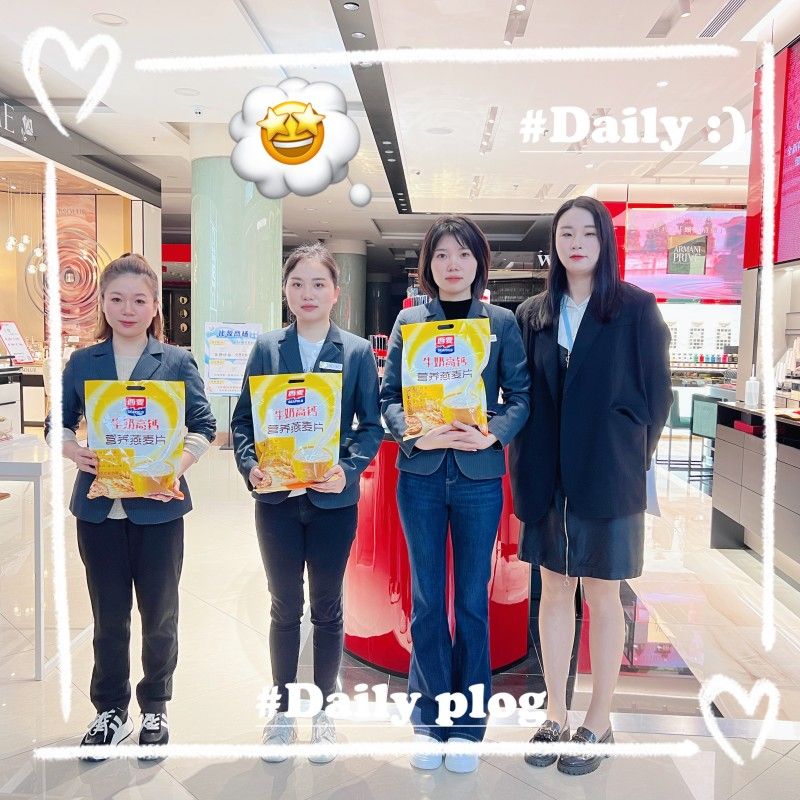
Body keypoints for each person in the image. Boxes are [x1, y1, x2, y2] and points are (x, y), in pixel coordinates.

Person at [510, 196, 672, 776]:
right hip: (544, 475)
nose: (576, 243)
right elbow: (522, 393)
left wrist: (628, 456)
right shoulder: (532, 313)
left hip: (609, 474)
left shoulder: (635, 308)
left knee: (604, 595)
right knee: (554, 592)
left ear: (605, 241)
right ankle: (555, 713)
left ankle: (599, 720)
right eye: (566, 234)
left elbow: (658, 397)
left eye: (588, 233)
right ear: (553, 245)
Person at [46, 253, 216, 759]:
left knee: (160, 614)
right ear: (102, 303)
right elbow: (57, 423)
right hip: (99, 512)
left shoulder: (176, 361)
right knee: (108, 616)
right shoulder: (84, 362)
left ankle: (155, 706)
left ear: (155, 306)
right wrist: (74, 451)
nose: (127, 309)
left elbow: (204, 426)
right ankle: (110, 710)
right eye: (117, 299)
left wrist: (175, 468)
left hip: (159, 509)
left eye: (139, 300)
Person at [380, 215, 529, 773]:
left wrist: (492, 433)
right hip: (420, 476)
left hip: (478, 478)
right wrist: (413, 433)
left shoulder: (500, 323)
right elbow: (388, 397)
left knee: (470, 602)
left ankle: (467, 726)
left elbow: (521, 395)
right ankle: (428, 721)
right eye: (442, 254)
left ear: (478, 263)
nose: (452, 265)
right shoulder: (409, 321)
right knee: (426, 603)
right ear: (428, 264)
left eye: (463, 254)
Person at [231, 242, 382, 764]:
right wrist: (251, 465)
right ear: (285, 291)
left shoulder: (356, 352)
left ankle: (322, 712)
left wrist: (349, 468)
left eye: (319, 284)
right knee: (283, 607)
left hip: (332, 502)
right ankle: (281, 710)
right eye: (297, 284)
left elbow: (371, 425)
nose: (307, 293)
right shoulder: (267, 349)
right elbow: (243, 421)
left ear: (336, 293)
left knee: (327, 607)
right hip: (276, 500)